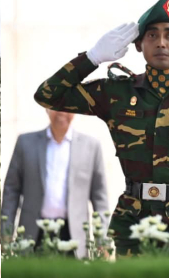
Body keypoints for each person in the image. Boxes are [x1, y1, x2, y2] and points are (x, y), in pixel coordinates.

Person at [33, 0, 169, 255]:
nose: (161, 43)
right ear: (139, 45)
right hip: (133, 221)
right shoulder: (117, 93)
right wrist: (91, 58)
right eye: (152, 35)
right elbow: (47, 95)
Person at [2, 109, 109, 258]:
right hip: (33, 232)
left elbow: (100, 198)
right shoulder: (25, 143)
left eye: (67, 106)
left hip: (73, 234)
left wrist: (102, 239)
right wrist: (5, 232)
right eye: (55, 106)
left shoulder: (91, 146)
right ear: (46, 108)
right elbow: (11, 191)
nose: (61, 112)